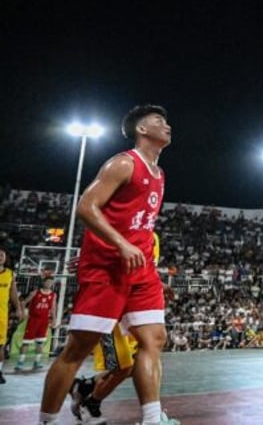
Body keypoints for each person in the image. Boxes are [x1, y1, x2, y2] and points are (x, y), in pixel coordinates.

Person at [39, 104, 174, 425]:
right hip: (108, 269)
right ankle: (47, 420)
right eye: (159, 121)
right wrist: (119, 244)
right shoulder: (124, 163)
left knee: (153, 339)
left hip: (141, 270)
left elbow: (133, 220)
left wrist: (133, 247)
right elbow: (86, 207)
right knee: (78, 348)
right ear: (142, 130)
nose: (167, 126)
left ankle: (152, 419)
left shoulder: (160, 174)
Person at [69, 232, 180, 425]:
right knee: (125, 366)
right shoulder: (118, 229)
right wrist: (87, 260)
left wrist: (159, 284)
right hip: (110, 310)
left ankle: (86, 387)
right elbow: (108, 259)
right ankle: (90, 404)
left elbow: (140, 270)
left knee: (139, 363)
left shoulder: (152, 237)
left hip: (132, 310)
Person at [15, 276, 57, 371]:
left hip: (44, 321)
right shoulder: (35, 292)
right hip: (33, 320)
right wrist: (24, 313)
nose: (49, 284)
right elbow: (23, 302)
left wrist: (54, 319)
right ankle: (20, 363)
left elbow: (53, 308)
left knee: (40, 342)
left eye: (51, 282)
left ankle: (37, 362)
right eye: (48, 282)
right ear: (43, 282)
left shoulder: (53, 295)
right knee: (26, 342)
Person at [0, 247, 24, 384]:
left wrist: (18, 308)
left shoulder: (9, 274)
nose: (0, 257)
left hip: (2, 315)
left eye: (2, 255)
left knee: (1, 345)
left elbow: (13, 293)